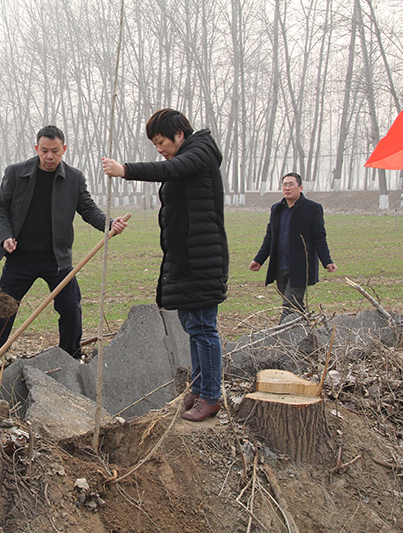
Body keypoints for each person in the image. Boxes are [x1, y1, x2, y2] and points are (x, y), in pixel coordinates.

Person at [102, 108, 228, 422]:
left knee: (203, 328)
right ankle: (199, 389)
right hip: (188, 256)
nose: (159, 149)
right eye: (155, 144)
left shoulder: (199, 152)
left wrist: (125, 170)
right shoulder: (189, 156)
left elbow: (172, 169)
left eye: (161, 142)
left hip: (201, 258)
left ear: (179, 135)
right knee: (193, 326)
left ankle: (211, 396)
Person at [0, 125, 127, 374]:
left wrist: (109, 224)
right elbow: (0, 205)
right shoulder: (16, 173)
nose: (49, 156)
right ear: (36, 149)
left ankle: (70, 359)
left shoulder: (74, 178)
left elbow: (88, 209)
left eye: (55, 151)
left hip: (57, 260)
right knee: (2, 310)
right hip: (19, 258)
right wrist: (6, 235)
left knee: (71, 308)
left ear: (63, 149)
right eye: (44, 151)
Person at [249, 172, 337, 321]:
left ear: (300, 187)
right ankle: (305, 331)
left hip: (300, 267)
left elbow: (319, 237)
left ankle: (281, 337)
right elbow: (270, 237)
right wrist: (259, 260)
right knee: (295, 305)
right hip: (280, 265)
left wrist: (327, 261)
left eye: (291, 184)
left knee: (289, 305)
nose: (287, 188)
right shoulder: (276, 209)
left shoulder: (312, 208)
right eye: (284, 184)